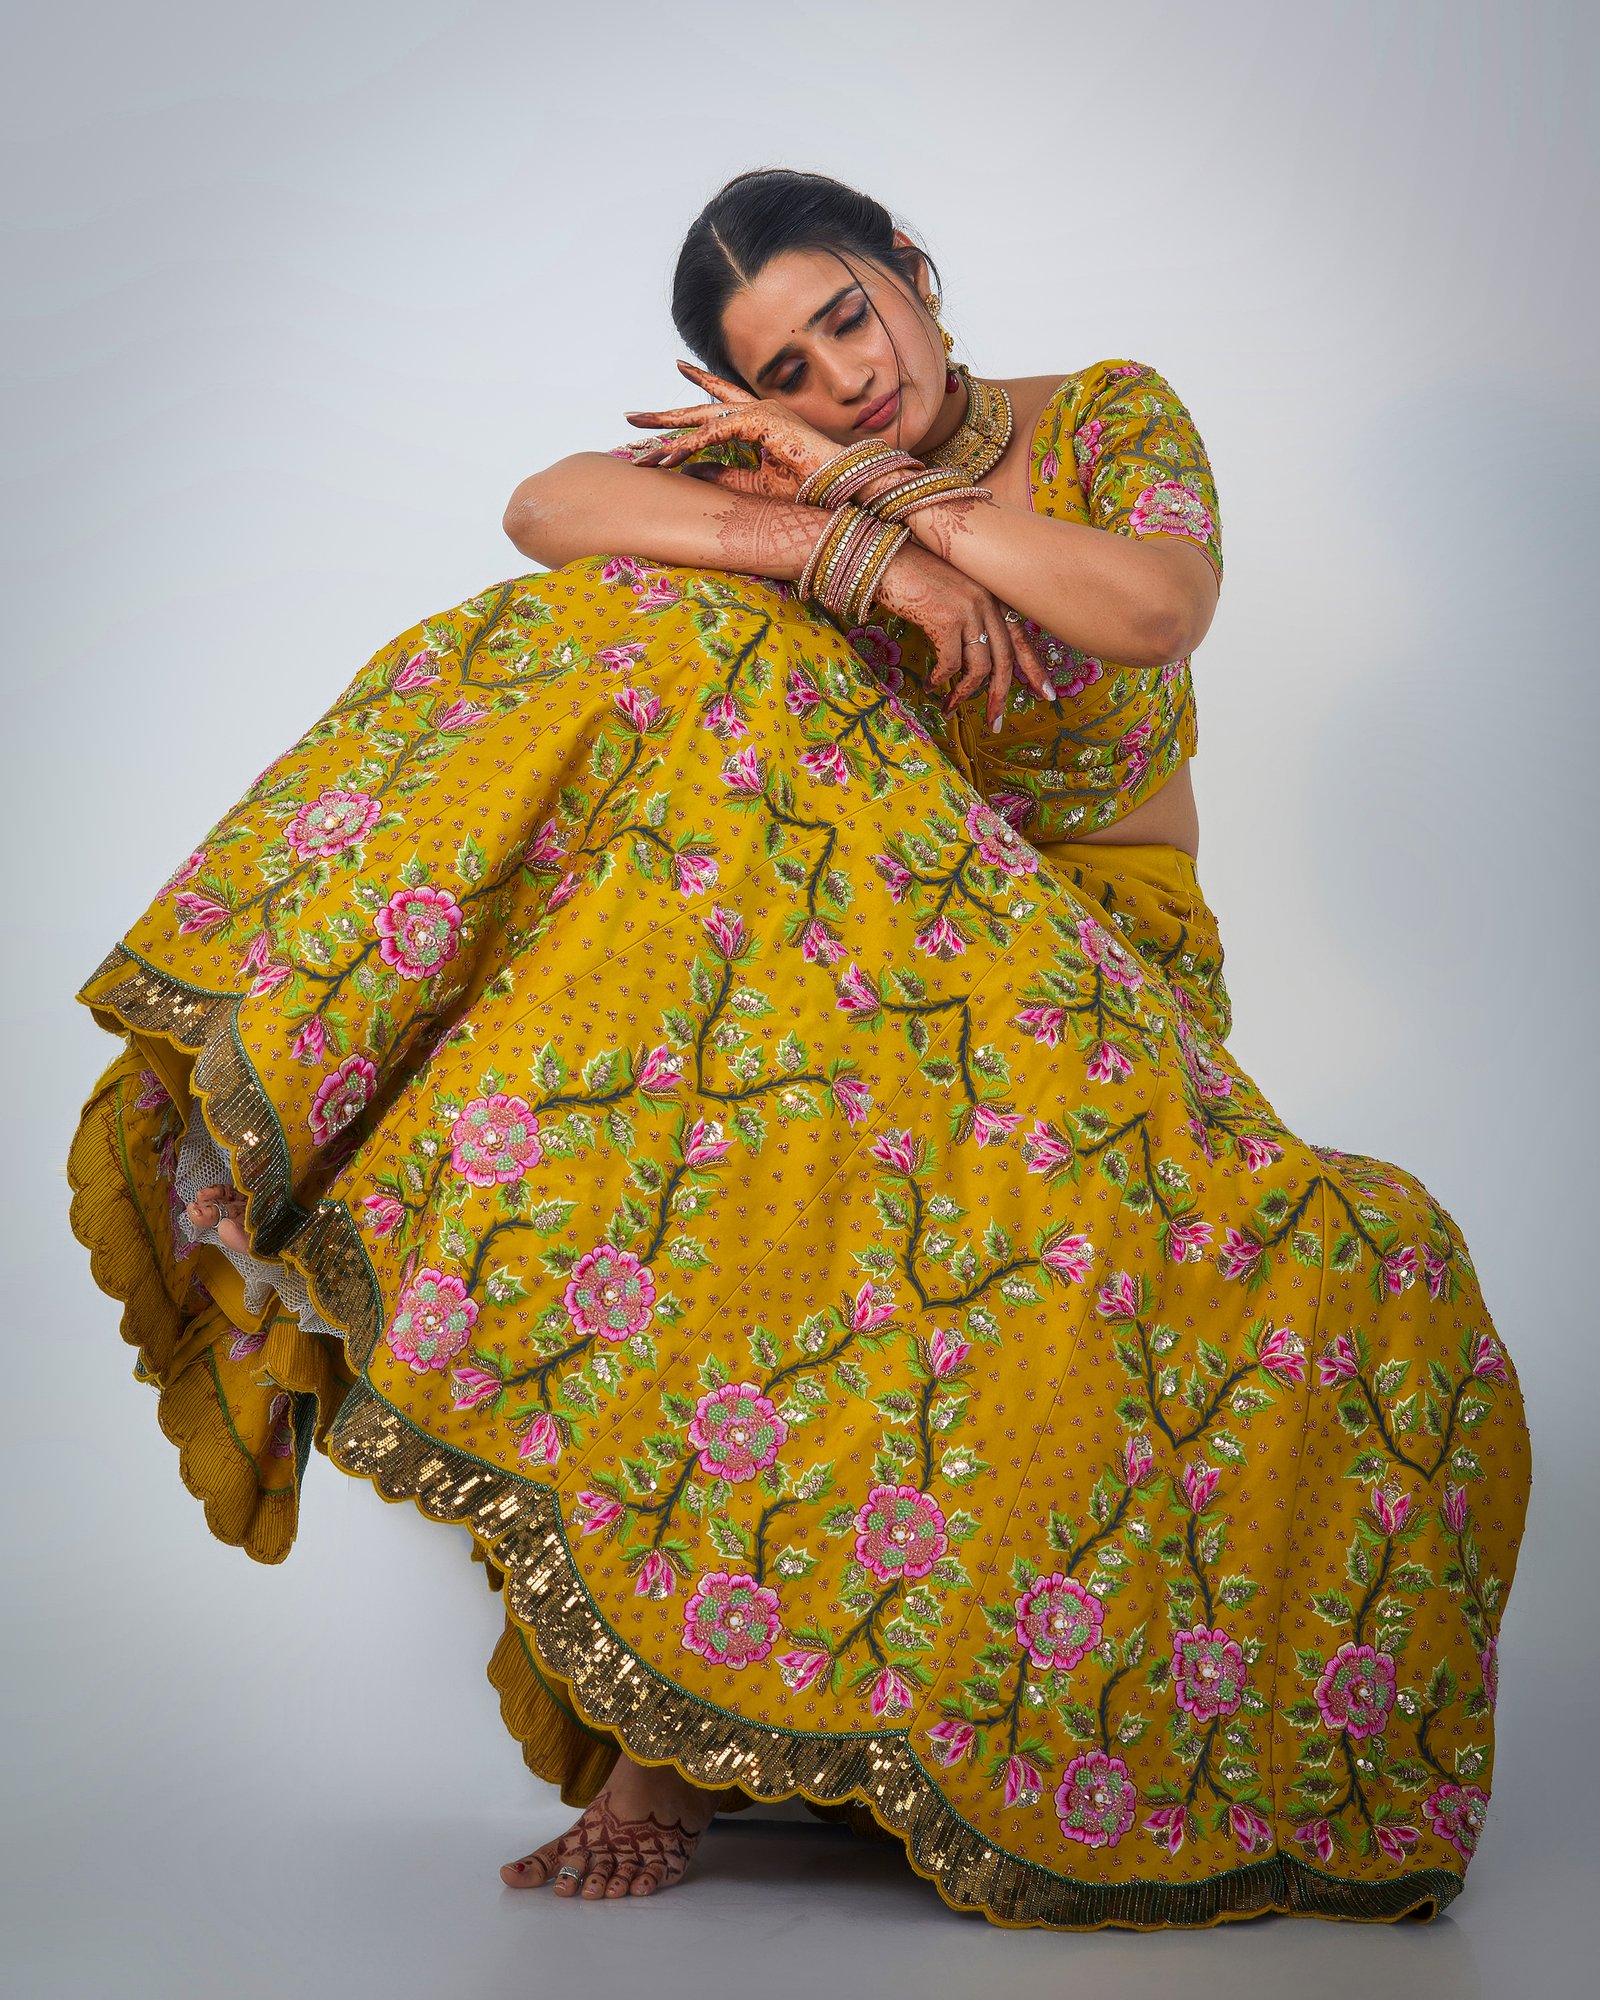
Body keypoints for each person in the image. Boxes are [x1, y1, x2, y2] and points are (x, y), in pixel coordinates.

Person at [67, 167, 1532, 1930]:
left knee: (1357, 1261)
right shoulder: (793, 471)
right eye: (790, 372)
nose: (845, 377)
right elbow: (548, 506)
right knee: (648, 638)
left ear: (908, 265)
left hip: (1092, 970)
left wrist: (882, 495)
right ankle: (318, 1082)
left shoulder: (1102, 419)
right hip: (872, 976)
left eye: (849, 316)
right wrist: (834, 546)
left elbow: (1152, 612)